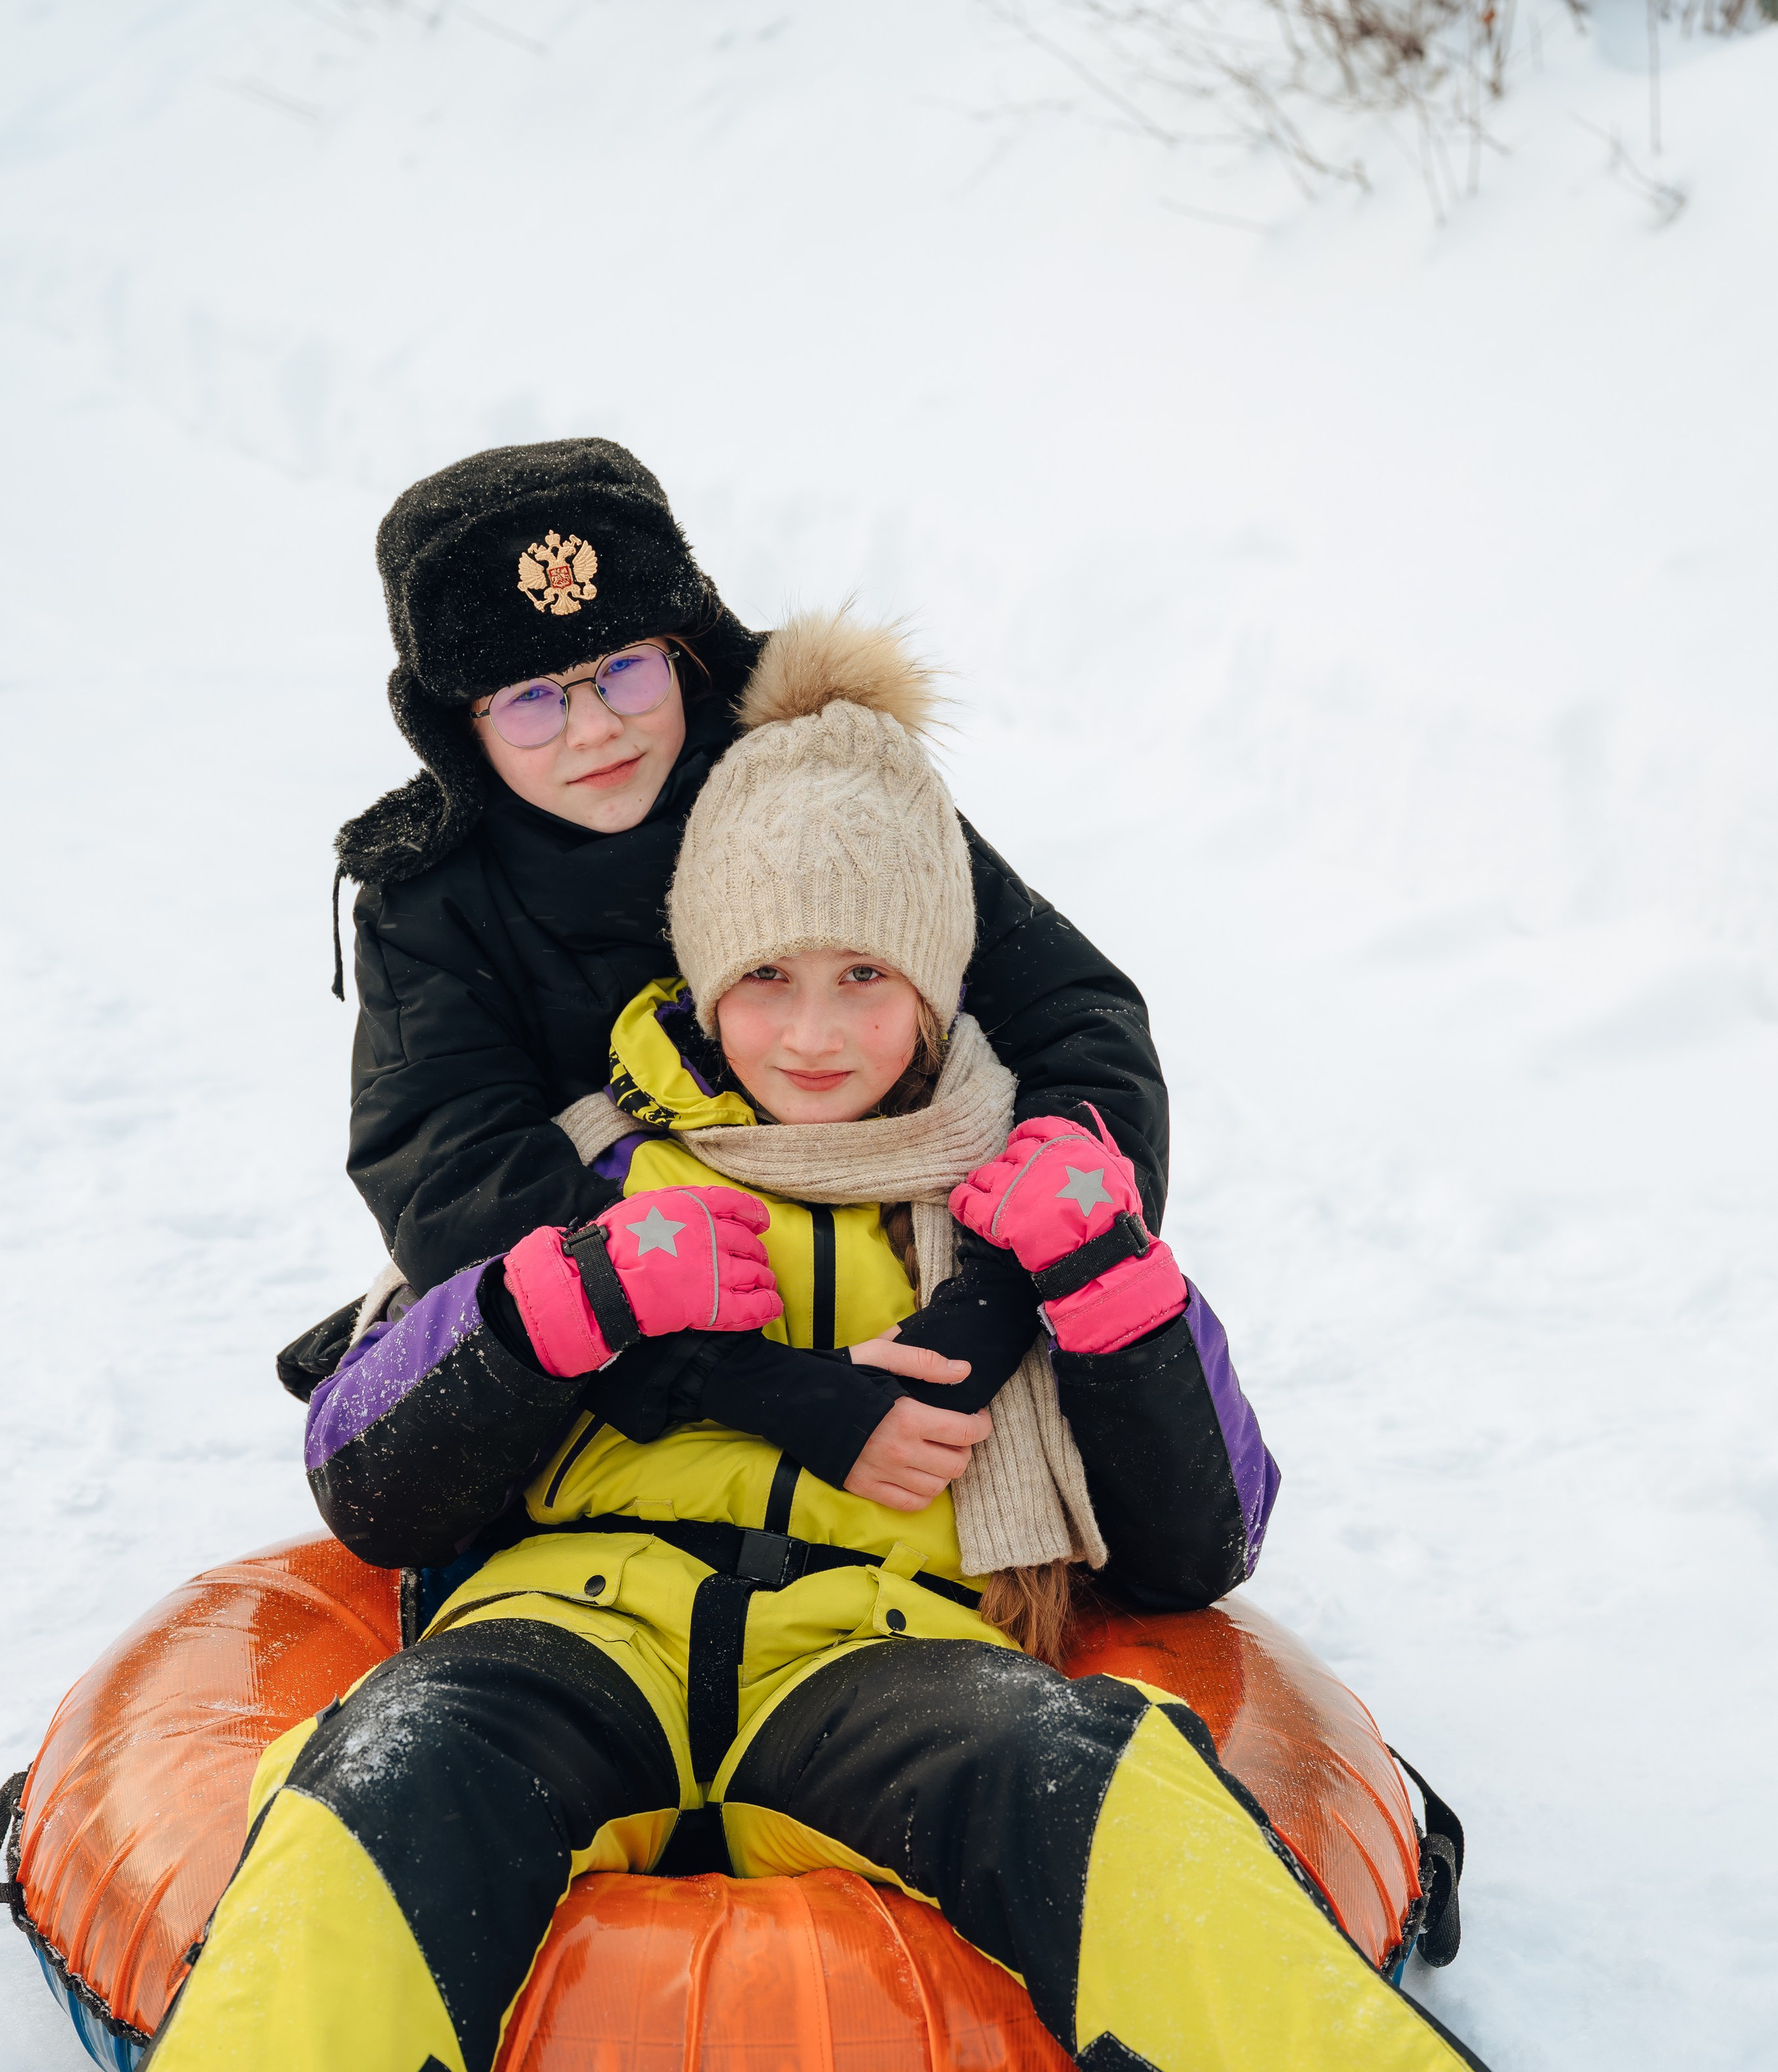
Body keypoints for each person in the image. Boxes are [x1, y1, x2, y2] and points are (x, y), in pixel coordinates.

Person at [0, 622, 1683, 2072]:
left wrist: (1112, 1291)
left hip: (876, 1651)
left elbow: (1195, 1551)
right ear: (700, 978)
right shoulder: (577, 1177)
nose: (810, 1028)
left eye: (865, 975)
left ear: (939, 982)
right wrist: (564, 1307)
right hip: (567, 1623)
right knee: (383, 1776)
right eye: (766, 977)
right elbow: (369, 1475)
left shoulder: (1016, 1196)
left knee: (1100, 1777)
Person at [280, 435, 1171, 1403]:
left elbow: (1078, 1019)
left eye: (626, 669)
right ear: (457, 727)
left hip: (906, 1259)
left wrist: (1004, 1298)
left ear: (686, 650)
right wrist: (750, 1384)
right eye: (530, 700)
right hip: (647, 1305)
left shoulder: (823, 776)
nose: (594, 729)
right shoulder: (430, 901)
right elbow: (451, 1178)